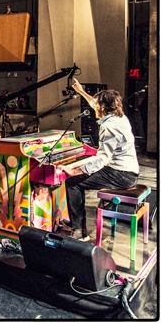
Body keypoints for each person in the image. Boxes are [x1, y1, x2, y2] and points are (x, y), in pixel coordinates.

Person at [60, 79, 140, 241]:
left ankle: (78, 231)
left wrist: (74, 170)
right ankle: (76, 223)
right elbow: (94, 102)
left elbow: (102, 159)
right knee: (80, 174)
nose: (94, 106)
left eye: (97, 104)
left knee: (73, 182)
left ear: (102, 108)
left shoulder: (109, 127)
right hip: (127, 170)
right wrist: (81, 91)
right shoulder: (119, 116)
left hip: (122, 174)